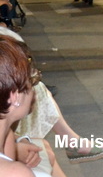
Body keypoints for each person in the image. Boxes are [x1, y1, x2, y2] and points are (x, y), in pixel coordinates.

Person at [0, 35, 67, 177]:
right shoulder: (16, 172)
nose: (34, 90)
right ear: (15, 97)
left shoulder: (7, 137)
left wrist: (19, 142)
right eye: (32, 80)